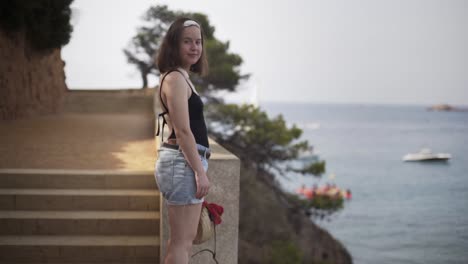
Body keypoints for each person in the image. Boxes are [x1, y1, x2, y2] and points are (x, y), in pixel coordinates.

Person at [154, 17, 211, 264]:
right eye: (187, 41)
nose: (194, 47)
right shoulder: (176, 78)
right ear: (173, 45)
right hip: (184, 164)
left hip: (183, 163)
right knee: (181, 243)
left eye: (198, 42)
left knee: (180, 243)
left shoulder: (182, 77)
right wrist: (200, 172)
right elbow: (183, 131)